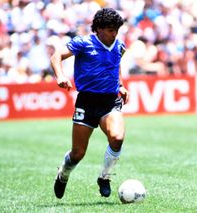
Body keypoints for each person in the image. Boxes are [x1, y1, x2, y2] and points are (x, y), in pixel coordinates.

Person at [50, 8, 129, 199]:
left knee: (117, 138)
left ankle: (104, 177)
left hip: (110, 101)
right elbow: (56, 56)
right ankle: (63, 174)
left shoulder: (119, 46)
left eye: (116, 30)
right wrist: (60, 76)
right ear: (99, 29)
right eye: (110, 30)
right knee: (78, 153)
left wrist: (121, 85)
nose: (114, 34)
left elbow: (115, 65)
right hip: (86, 101)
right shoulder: (83, 43)